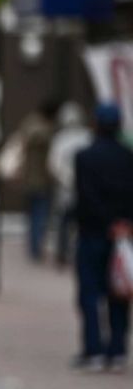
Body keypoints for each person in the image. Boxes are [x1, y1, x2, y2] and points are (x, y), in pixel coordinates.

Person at [70, 103, 133, 373]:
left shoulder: (85, 157)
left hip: (93, 232)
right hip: (123, 233)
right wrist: (122, 223)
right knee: (119, 292)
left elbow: (86, 196)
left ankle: (93, 349)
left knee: (89, 292)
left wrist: (106, 222)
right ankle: (117, 349)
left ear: (95, 124)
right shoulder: (129, 157)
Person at [48, 101, 91, 267]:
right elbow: (55, 164)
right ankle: (66, 253)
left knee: (68, 223)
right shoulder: (84, 137)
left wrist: (67, 179)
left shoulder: (64, 138)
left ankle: (65, 253)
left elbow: (54, 164)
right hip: (75, 187)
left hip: (71, 187)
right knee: (69, 223)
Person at [16, 101, 58, 263]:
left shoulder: (27, 125)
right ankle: (36, 248)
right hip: (41, 180)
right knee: (40, 215)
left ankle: (33, 246)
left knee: (32, 215)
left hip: (29, 179)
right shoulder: (47, 131)